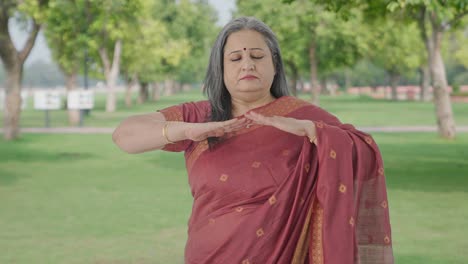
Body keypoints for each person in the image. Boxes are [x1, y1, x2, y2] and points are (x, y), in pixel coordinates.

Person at [113, 17, 394, 264]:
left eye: (257, 56)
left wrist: (312, 131)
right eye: (235, 58)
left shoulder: (304, 117)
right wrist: (185, 131)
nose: (247, 64)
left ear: (274, 66)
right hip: (207, 255)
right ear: (220, 70)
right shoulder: (198, 116)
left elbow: (364, 153)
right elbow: (124, 136)